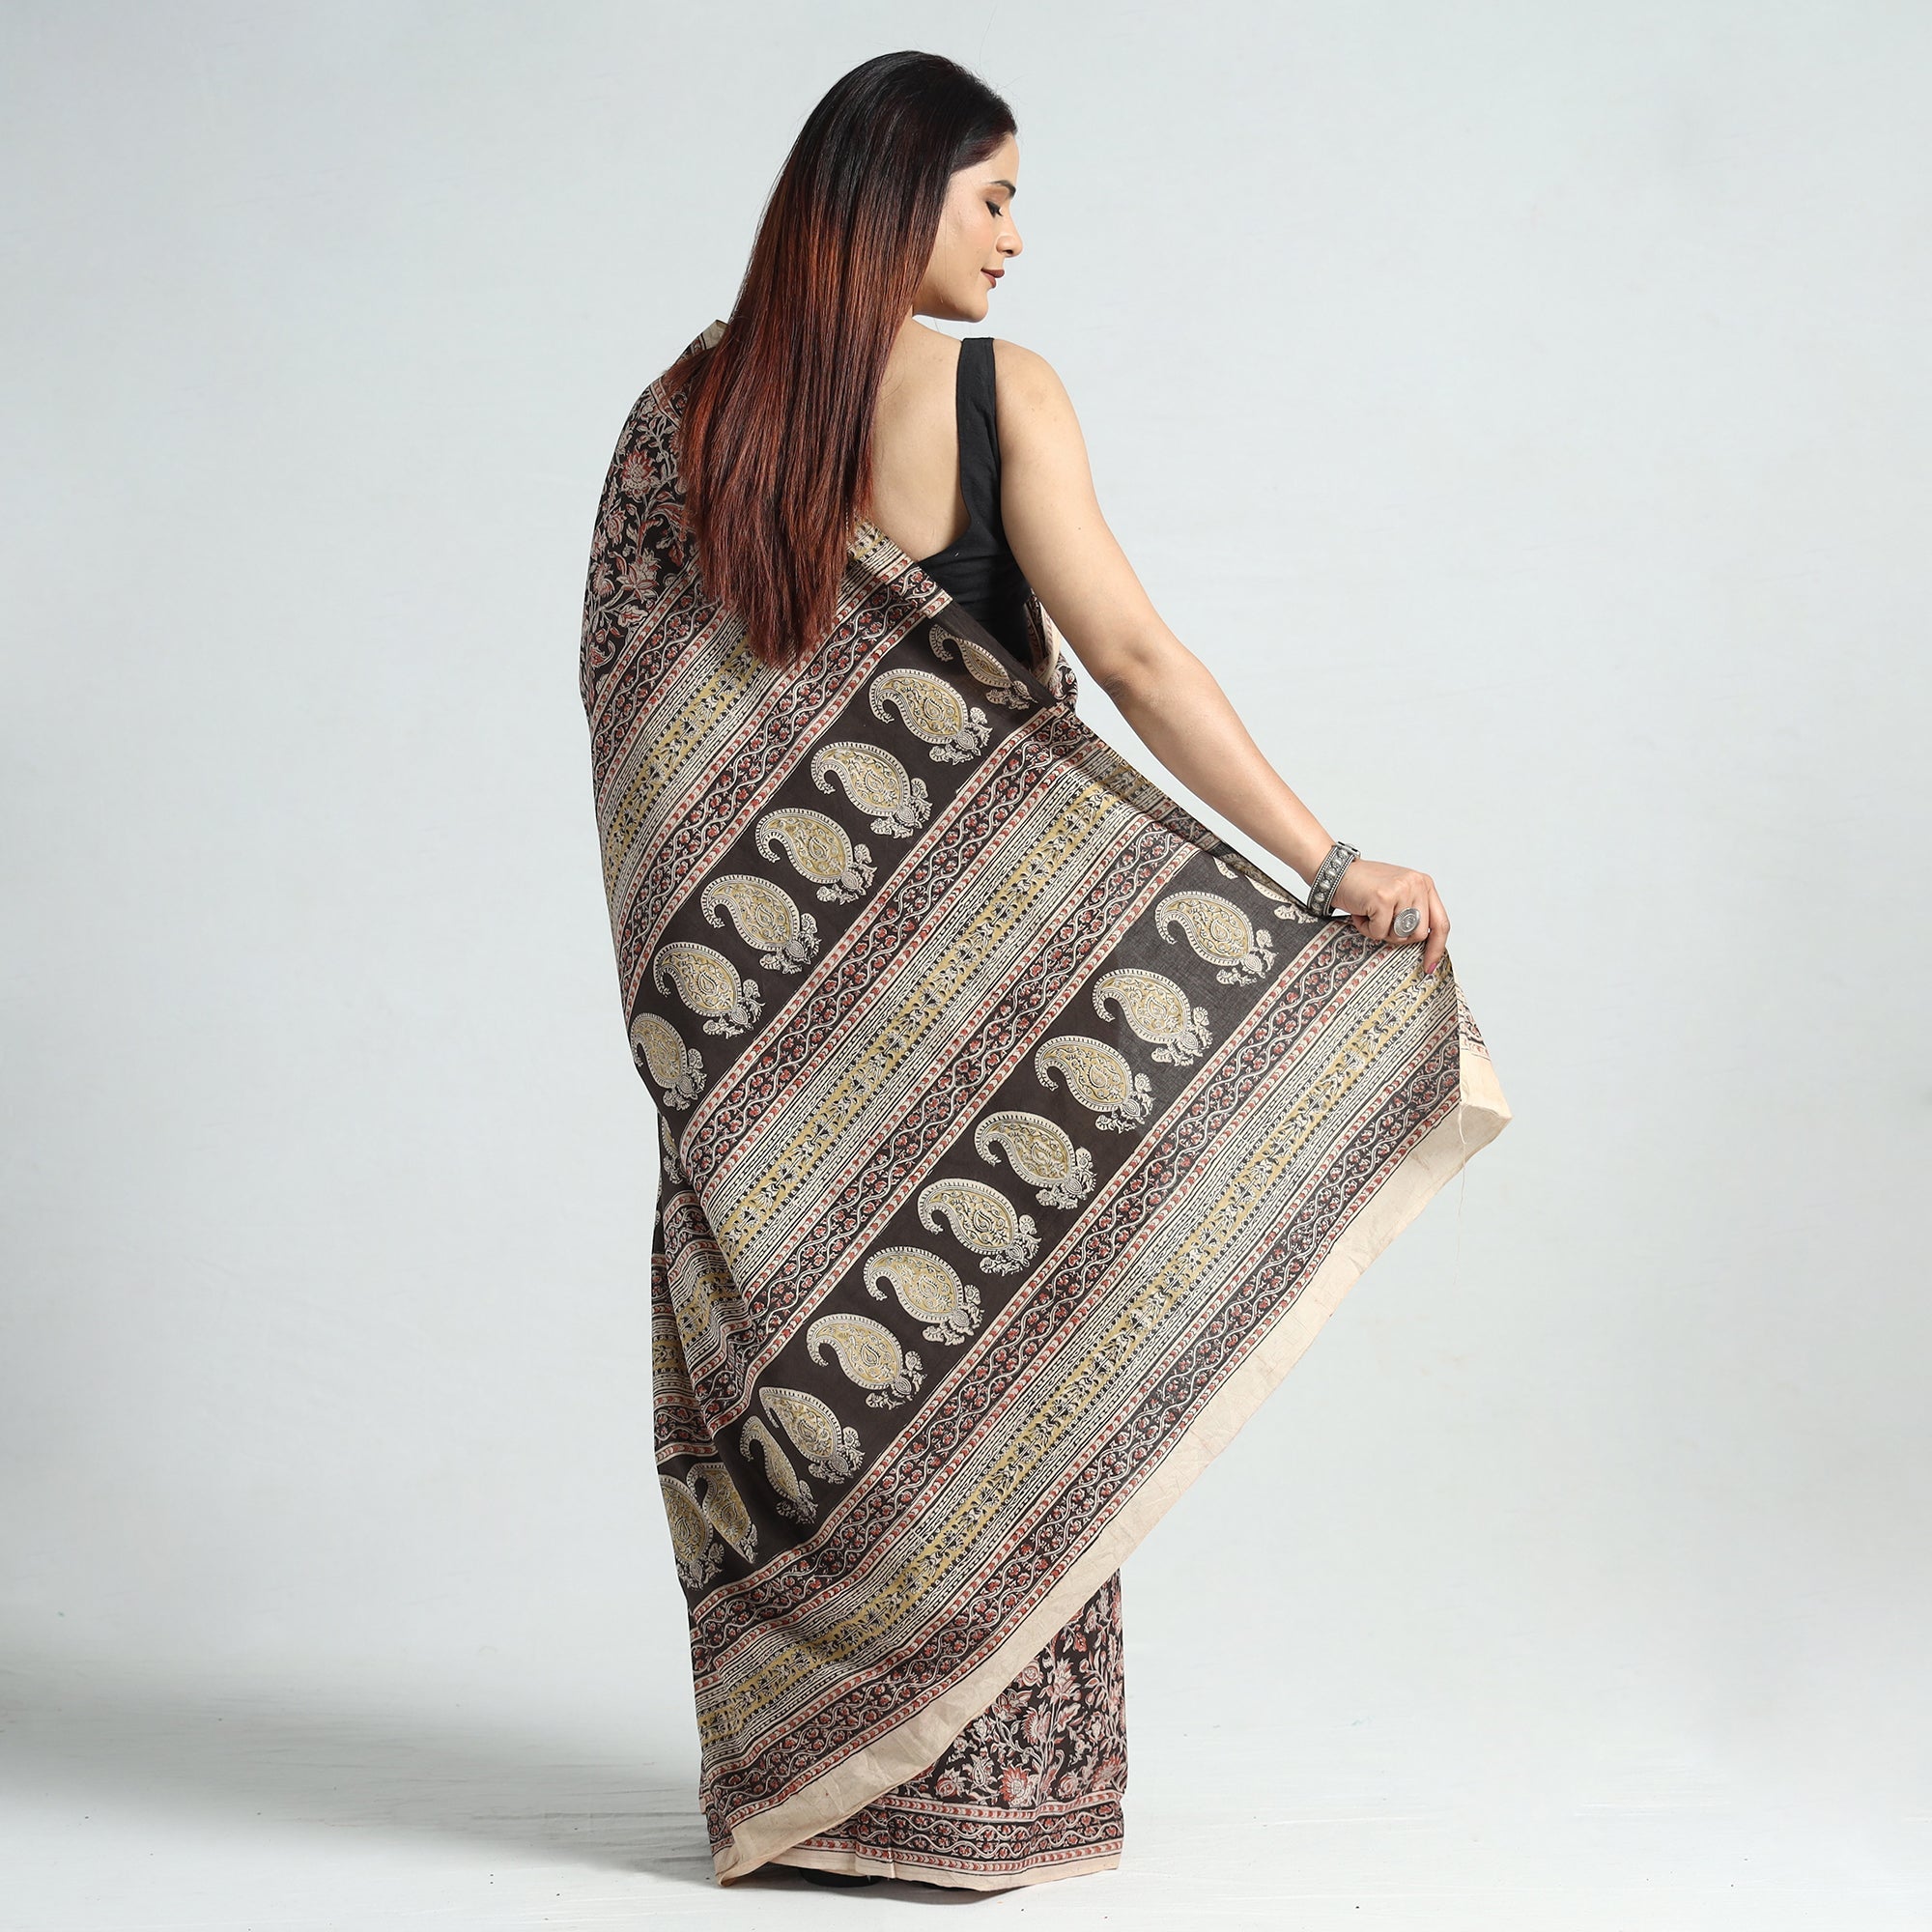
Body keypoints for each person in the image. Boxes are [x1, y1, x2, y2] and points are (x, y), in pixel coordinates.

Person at [578, 49, 1508, 1893]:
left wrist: (720, 1048)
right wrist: (1328, 866)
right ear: (897, 195)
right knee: (1007, 1364)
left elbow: (655, 766)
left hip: (780, 1050)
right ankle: (989, 1805)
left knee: (839, 1350)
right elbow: (1138, 663)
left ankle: (826, 1791)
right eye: (993, 196)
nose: (1016, 235)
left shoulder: (681, 421)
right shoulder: (998, 397)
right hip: (1004, 1020)